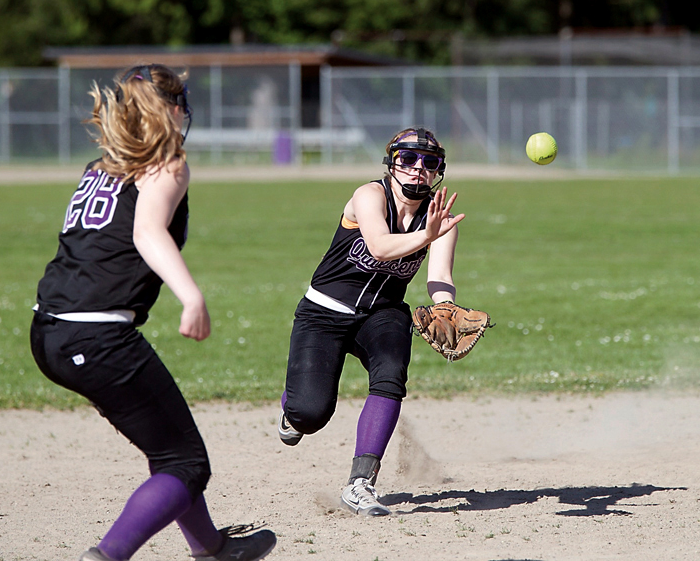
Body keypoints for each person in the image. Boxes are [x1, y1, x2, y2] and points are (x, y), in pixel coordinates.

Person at [29, 64, 276, 561]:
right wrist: (191, 295)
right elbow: (146, 232)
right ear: (174, 109)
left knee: (169, 451)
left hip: (48, 330)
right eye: (180, 101)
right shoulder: (167, 163)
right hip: (96, 338)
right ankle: (109, 556)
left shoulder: (103, 164)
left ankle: (211, 548)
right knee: (186, 463)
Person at [277, 127, 464, 517]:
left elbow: (439, 274)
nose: (418, 169)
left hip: (382, 313)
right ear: (392, 162)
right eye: (408, 159)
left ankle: (360, 483)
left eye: (429, 162)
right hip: (324, 311)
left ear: (438, 171)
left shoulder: (438, 216)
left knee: (391, 372)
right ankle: (293, 408)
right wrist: (426, 235)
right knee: (310, 413)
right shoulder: (369, 195)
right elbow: (379, 246)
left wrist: (445, 305)